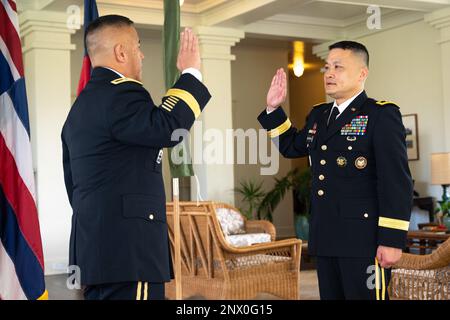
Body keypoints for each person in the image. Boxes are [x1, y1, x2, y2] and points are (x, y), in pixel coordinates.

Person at [62, 15, 211, 300]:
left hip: (97, 251)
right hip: (130, 252)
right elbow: (167, 128)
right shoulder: (122, 93)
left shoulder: (80, 108)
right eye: (138, 46)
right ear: (121, 52)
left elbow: (73, 182)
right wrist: (191, 74)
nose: (142, 55)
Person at [257, 41, 413, 300]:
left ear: (362, 74)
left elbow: (396, 182)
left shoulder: (380, 115)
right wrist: (273, 108)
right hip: (327, 235)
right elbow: (291, 146)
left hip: (364, 240)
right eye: (327, 67)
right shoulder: (319, 115)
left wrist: (392, 240)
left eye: (338, 67)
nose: (329, 73)